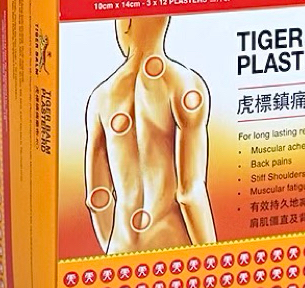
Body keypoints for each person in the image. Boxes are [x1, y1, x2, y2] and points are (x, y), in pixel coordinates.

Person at [84, 16, 216, 253]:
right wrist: (212, 256)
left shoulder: (101, 99)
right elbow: (189, 193)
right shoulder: (183, 86)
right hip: (172, 247)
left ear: (126, 22)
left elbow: (97, 196)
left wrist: (114, 249)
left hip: (120, 248)